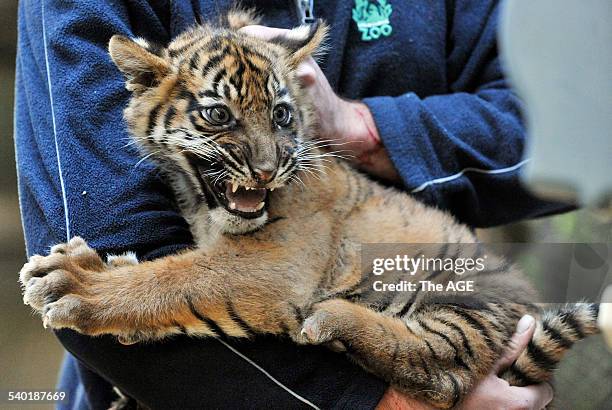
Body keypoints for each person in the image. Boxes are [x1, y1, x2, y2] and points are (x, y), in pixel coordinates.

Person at [14, 0, 564, 408]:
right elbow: (108, 246)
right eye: (217, 117)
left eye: (280, 118)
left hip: (439, 326)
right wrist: (383, 405)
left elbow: (572, 123)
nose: (264, 163)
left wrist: (365, 129)